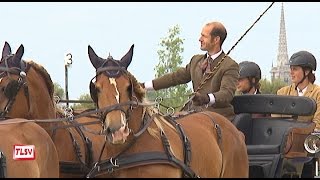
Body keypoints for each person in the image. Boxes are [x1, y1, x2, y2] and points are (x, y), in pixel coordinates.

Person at [142, 21, 239, 121]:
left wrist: (206, 98)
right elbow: (175, 78)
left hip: (217, 118)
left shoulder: (230, 66)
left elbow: (227, 93)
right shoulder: (196, 61)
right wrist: (144, 86)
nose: (200, 39)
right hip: (193, 114)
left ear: (216, 40)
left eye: (204, 36)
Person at [271, 50, 320, 178]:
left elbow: (318, 122)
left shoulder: (318, 93)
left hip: (307, 144)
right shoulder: (282, 92)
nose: (291, 72)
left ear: (307, 71)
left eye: (295, 69)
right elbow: (275, 119)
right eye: (291, 69)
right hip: (286, 144)